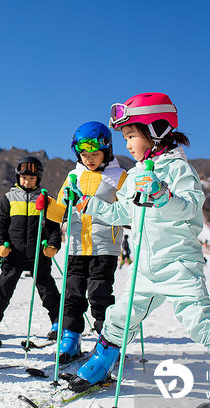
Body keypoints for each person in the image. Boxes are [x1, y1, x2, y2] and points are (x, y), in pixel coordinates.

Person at [66, 92, 210, 408]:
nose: (127, 144)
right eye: (126, 137)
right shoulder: (136, 173)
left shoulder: (177, 169)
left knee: (198, 319)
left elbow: (189, 208)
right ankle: (102, 362)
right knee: (120, 315)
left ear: (156, 130)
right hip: (144, 266)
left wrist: (162, 195)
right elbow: (124, 214)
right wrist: (88, 203)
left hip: (177, 263)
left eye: (131, 135)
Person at [37, 122, 127, 363]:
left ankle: (107, 341)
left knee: (99, 295)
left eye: (95, 154)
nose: (89, 159)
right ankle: (71, 337)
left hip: (104, 247)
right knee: (73, 294)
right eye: (84, 154)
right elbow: (61, 212)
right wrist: (48, 205)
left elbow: (127, 211)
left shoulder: (119, 177)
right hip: (76, 246)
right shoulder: (74, 175)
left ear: (107, 151)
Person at [0, 156, 62, 339]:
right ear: (18, 177)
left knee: (47, 288)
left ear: (38, 179)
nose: (27, 181)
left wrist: (52, 245)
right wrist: (0, 244)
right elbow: (0, 224)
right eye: (24, 177)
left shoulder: (45, 200)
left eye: (32, 178)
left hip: (38, 253)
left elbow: (53, 228)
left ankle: (58, 320)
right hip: (14, 252)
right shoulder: (9, 198)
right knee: (4, 286)